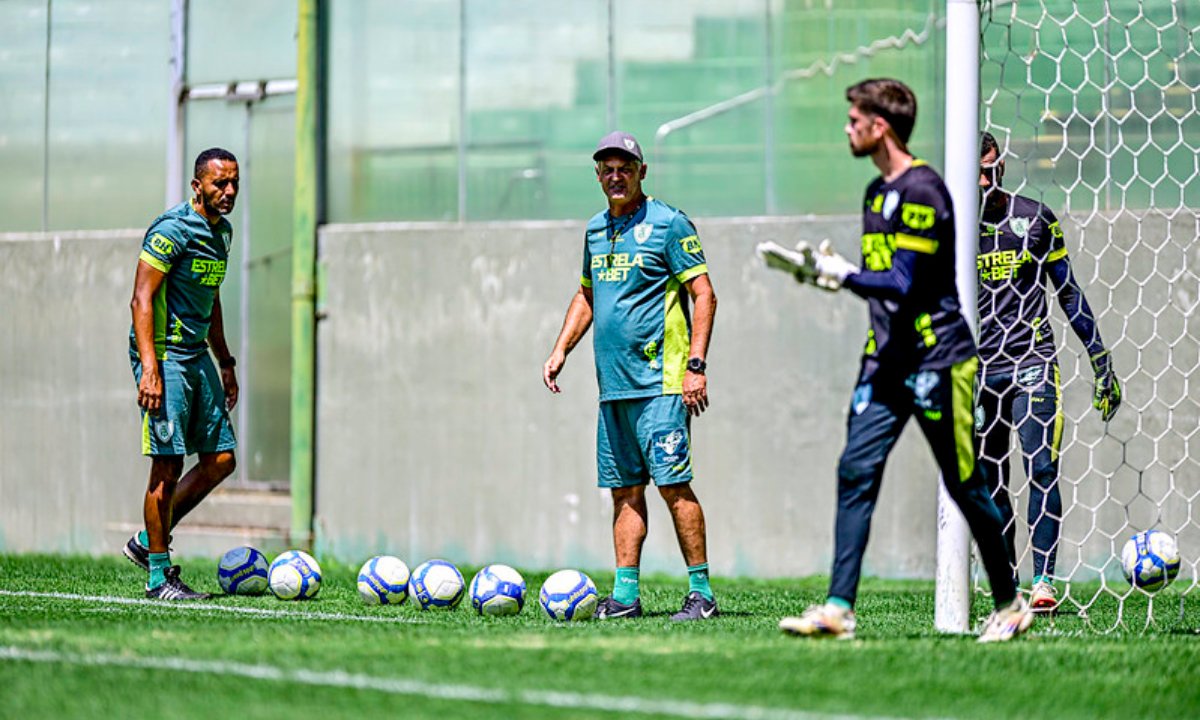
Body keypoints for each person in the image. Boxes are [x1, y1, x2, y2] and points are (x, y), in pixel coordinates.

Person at [761, 79, 1032, 642]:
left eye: (853, 119)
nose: (846, 128)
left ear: (879, 125)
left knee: (964, 484)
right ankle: (838, 608)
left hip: (939, 359)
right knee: (855, 469)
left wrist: (843, 275)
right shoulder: (873, 193)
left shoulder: (924, 190)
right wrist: (828, 275)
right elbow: (879, 282)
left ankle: (1009, 603)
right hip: (884, 361)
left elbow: (904, 284)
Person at [543, 131, 719, 621]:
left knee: (673, 486)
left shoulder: (669, 224)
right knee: (624, 491)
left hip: (662, 383)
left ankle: (702, 594)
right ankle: (625, 597)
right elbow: (587, 295)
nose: (616, 176)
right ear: (597, 176)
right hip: (613, 389)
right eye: (608, 169)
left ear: (642, 171)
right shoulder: (595, 230)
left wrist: (696, 366)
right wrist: (560, 349)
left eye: (625, 168)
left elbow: (704, 293)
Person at [976, 131, 1121, 613]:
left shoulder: (1035, 219)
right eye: (976, 173)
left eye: (990, 170)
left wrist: (1099, 358)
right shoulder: (955, 228)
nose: (984, 181)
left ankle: (1043, 581)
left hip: (1033, 361)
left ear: (1002, 166)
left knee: (1041, 467)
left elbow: (1068, 292)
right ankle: (1007, 583)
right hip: (980, 369)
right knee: (991, 481)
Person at [123, 147, 241, 600]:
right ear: (197, 186)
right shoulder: (171, 230)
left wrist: (225, 361)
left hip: (197, 354)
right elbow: (141, 299)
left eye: (234, 183)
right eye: (219, 183)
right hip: (165, 355)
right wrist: (150, 370)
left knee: (221, 459)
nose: (229, 191)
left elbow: (212, 297)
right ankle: (158, 577)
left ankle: (146, 539)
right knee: (168, 462)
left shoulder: (222, 233)